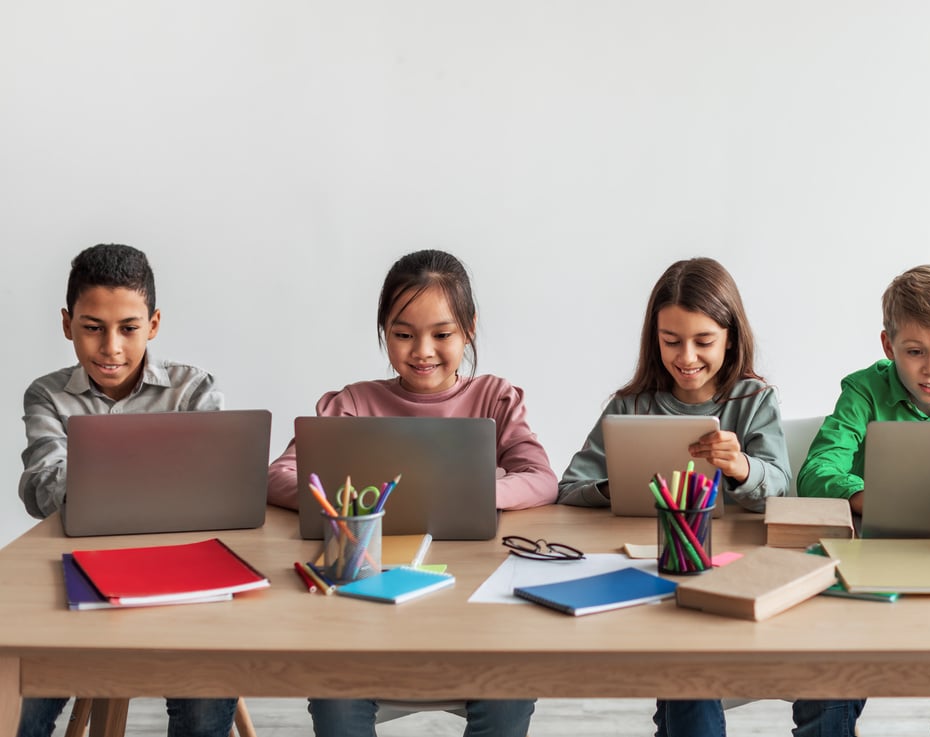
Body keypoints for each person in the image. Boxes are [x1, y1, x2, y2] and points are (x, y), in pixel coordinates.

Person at [267, 249, 555, 737]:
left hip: (473, 605)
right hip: (364, 605)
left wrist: (469, 492)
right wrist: (348, 502)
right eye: (403, 334)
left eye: (442, 335)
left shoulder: (495, 397)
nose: (422, 350)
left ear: (469, 329)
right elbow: (280, 474)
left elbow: (541, 477)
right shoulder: (353, 403)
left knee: (510, 686)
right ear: (384, 332)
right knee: (336, 695)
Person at [556, 257, 791, 737]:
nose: (687, 357)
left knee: (692, 669)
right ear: (653, 339)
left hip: (736, 569)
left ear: (730, 336)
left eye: (703, 341)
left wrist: (743, 466)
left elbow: (782, 485)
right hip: (654, 567)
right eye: (671, 341)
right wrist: (617, 484)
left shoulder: (753, 401)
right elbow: (569, 488)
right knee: (686, 666)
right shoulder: (631, 405)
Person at [17, 243, 237, 737]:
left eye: (129, 328)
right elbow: (48, 491)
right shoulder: (47, 395)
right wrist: (165, 469)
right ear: (67, 324)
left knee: (204, 698)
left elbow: (217, 488)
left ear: (153, 325)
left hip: (181, 573)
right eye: (92, 327)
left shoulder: (193, 389)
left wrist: (97, 471)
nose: (110, 346)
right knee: (21, 694)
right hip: (78, 570)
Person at [796, 264, 930, 737]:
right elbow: (817, 472)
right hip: (874, 567)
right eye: (914, 351)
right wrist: (866, 494)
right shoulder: (863, 391)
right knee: (824, 690)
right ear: (888, 346)